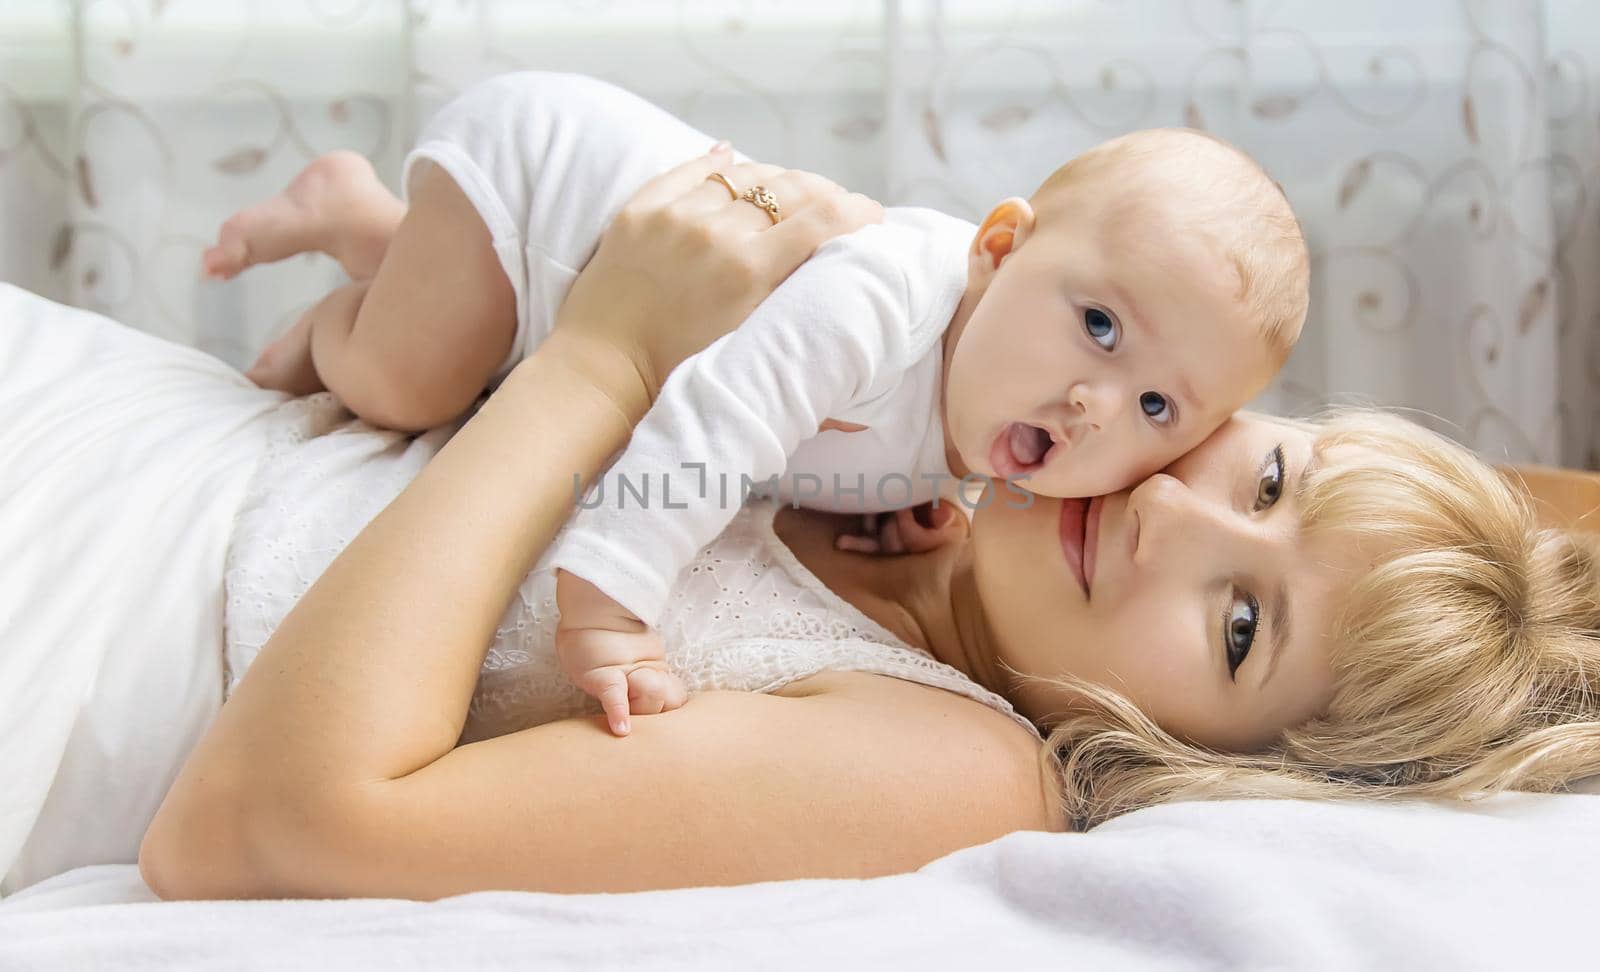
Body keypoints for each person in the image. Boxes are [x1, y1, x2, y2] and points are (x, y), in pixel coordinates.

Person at [2, 145, 1593, 903]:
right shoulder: (939, 454)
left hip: (75, 606)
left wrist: (607, 357)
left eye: (1244, 627)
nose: (1170, 510)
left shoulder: (956, 767)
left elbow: (259, 834)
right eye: (1266, 481)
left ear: (1220, 763)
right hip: (121, 418)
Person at [201, 72, 1311, 734]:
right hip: (540, 194)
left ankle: (389, 254)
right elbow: (718, 425)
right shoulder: (879, 303)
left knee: (463, 332)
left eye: (1159, 407)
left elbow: (817, 459)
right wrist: (613, 603)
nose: (1093, 404)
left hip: (570, 296)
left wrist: (886, 501)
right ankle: (340, 277)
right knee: (408, 382)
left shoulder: (983, 419)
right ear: (997, 248)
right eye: (1101, 327)